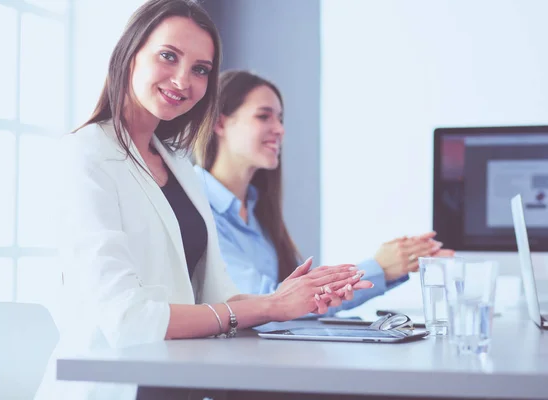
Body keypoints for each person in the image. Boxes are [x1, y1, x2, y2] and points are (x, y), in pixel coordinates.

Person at [35, 2, 370, 399]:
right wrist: (268, 307)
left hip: (177, 385)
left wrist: (288, 300)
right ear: (130, 53)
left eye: (200, 69)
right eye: (168, 56)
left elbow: (218, 298)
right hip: (112, 388)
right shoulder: (84, 154)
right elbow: (129, 319)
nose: (183, 79)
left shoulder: (179, 165)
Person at [195, 70, 455, 313]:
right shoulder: (196, 204)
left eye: (280, 119)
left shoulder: (254, 208)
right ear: (220, 124)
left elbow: (291, 302)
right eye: (264, 116)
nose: (280, 130)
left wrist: (399, 264)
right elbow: (269, 304)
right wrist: (379, 268)